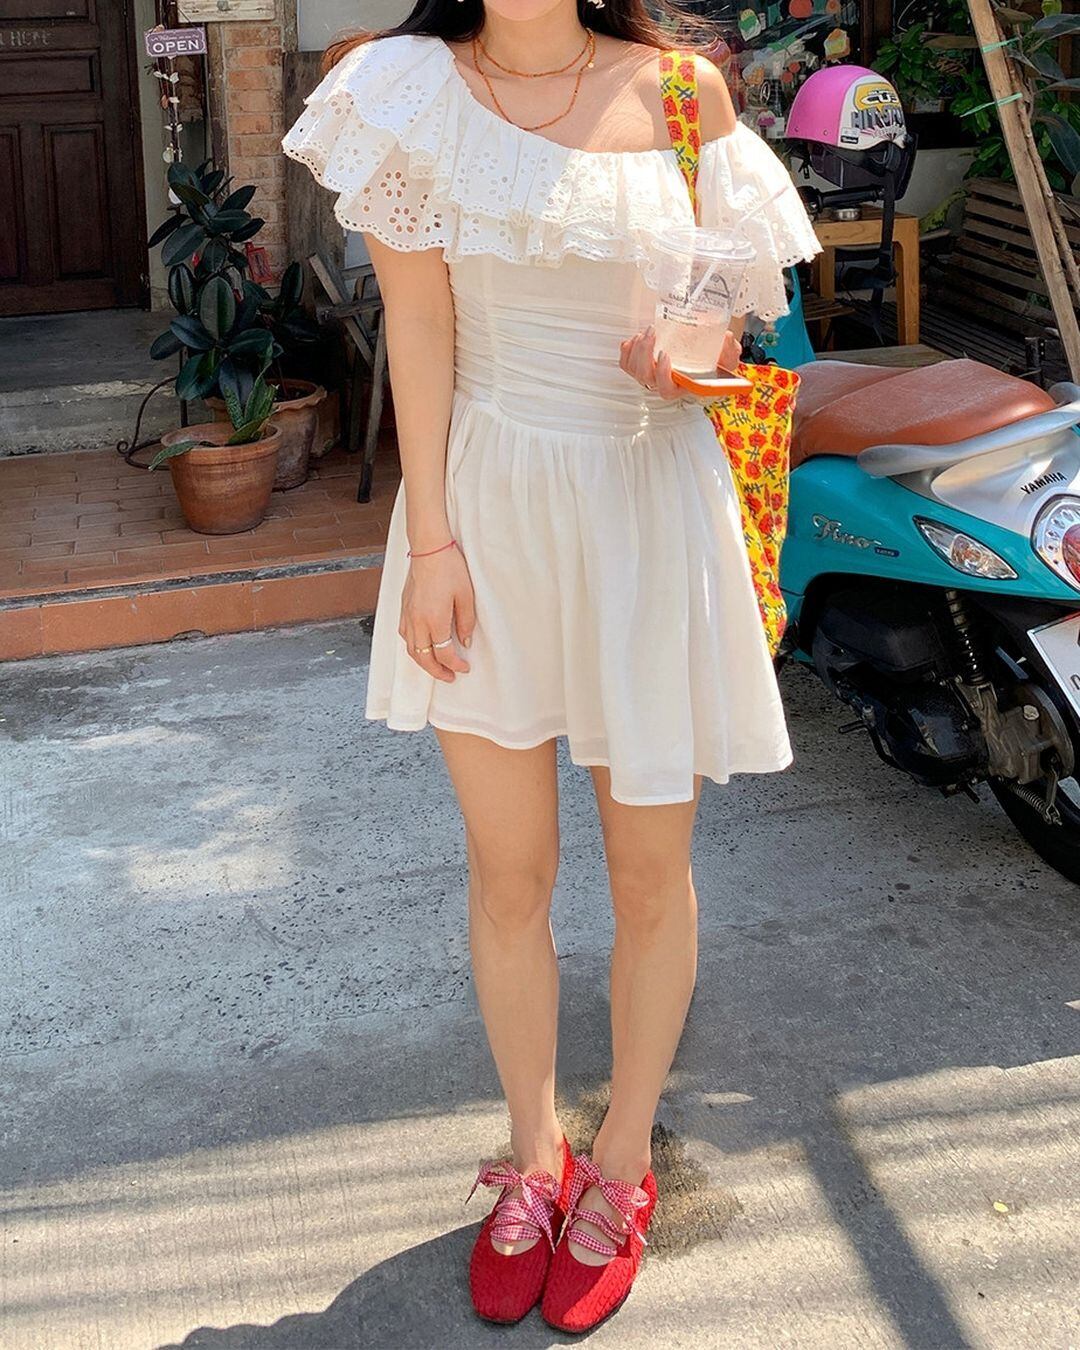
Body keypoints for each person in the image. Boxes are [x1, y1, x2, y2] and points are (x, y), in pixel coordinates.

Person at [283, 0, 819, 1331]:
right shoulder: (403, 89)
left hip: (648, 500)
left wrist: (689, 359)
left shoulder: (685, 92)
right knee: (510, 871)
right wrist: (431, 543)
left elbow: (732, 311)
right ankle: (534, 1153)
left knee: (648, 872)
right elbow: (420, 331)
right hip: (488, 508)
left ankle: (621, 1161)